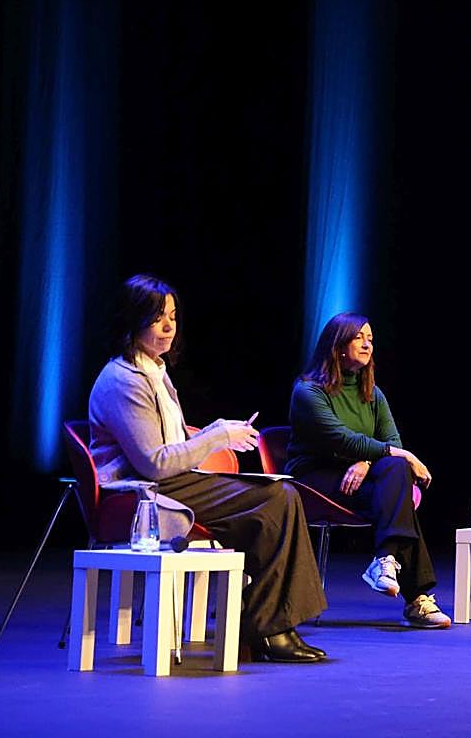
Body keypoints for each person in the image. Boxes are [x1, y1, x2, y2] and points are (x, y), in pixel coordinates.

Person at [88, 274, 329, 663]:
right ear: (132, 321)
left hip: (172, 483)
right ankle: (266, 628)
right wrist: (216, 434)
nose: (169, 328)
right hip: (144, 493)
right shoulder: (123, 380)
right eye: (157, 319)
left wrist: (219, 438)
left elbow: (174, 445)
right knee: (276, 500)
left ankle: (265, 625)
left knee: (280, 495)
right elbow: (154, 462)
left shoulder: (154, 370)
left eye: (173, 317)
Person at [286, 312, 449, 629]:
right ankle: (417, 598)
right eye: (358, 337)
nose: (366, 344)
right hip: (315, 479)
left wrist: (367, 461)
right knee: (398, 484)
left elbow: (389, 442)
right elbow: (339, 438)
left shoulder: (372, 393)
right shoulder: (308, 391)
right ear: (337, 344)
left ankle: (385, 561)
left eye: (370, 338)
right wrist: (394, 454)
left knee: (395, 472)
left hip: (358, 476)